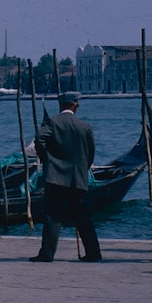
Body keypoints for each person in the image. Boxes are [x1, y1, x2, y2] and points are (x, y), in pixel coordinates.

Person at [29, 91, 102, 262]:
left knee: (53, 216)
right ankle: (93, 252)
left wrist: (48, 158)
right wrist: (83, 167)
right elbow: (91, 152)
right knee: (83, 216)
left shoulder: (52, 122)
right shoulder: (85, 127)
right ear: (75, 105)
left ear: (61, 105)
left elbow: (40, 139)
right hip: (78, 178)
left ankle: (47, 254)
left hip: (55, 178)